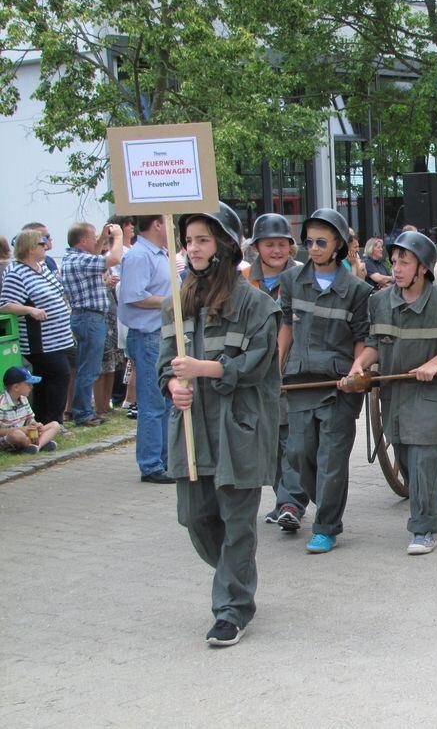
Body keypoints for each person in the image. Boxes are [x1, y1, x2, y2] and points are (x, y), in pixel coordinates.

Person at [158, 202, 280, 648]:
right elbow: (162, 364)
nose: (193, 248)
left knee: (237, 521)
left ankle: (230, 610)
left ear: (226, 245)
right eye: (189, 240)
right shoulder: (180, 301)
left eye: (202, 240)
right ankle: (236, 570)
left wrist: (204, 369)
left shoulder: (257, 304)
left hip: (239, 428)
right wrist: (173, 384)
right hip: (193, 431)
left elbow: (256, 363)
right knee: (196, 518)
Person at [343, 231, 437, 555]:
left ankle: (423, 529)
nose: (397, 268)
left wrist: (434, 363)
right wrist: (359, 366)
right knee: (408, 462)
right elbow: (375, 344)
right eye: (393, 262)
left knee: (422, 461)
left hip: (433, 396)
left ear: (423, 268)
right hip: (396, 395)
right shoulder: (379, 302)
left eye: (404, 262)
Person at [279, 208, 371, 553]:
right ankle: (326, 505)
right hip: (300, 380)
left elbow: (363, 336)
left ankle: (327, 526)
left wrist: (356, 369)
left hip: (337, 387)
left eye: (321, 242)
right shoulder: (291, 282)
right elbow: (286, 325)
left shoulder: (358, 291)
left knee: (332, 459)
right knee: (300, 454)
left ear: (338, 247)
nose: (313, 248)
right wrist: (278, 366)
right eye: (309, 241)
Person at [241, 213, 309, 531]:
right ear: (257, 247)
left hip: (295, 368)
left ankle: (290, 503)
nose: (276, 251)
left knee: (290, 439)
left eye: (282, 244)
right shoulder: (242, 279)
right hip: (255, 369)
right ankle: (284, 500)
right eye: (269, 245)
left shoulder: (303, 277)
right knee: (270, 437)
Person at [118, 214, 174, 483]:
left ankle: (163, 459)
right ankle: (151, 464)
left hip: (161, 334)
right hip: (148, 335)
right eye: (168, 221)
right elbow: (135, 296)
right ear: (157, 224)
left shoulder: (159, 253)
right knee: (153, 403)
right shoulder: (140, 255)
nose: (172, 226)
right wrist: (172, 301)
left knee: (164, 400)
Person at [0, 229, 74, 426]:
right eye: (42, 244)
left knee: (44, 380)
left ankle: (40, 420)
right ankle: (54, 420)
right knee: (60, 373)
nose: (46, 247)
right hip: (39, 340)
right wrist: (30, 310)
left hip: (59, 337)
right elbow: (6, 304)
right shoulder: (16, 272)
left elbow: (58, 291)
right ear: (31, 248)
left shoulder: (41, 267)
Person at [61, 220, 124, 426]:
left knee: (88, 367)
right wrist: (118, 236)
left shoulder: (76, 258)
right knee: (88, 368)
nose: (97, 239)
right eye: (93, 236)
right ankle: (83, 412)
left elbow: (95, 255)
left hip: (87, 317)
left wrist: (104, 238)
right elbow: (114, 258)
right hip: (89, 318)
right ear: (83, 240)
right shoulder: (80, 261)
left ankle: (82, 410)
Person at [0, 366, 60, 454]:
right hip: (8, 438)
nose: (31, 387)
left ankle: (36, 447)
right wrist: (22, 429)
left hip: (25, 435)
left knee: (55, 425)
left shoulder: (23, 399)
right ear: (16, 387)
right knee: (16, 434)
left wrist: (37, 425)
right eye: (28, 384)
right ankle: (37, 444)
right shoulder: (1, 404)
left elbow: (30, 421)